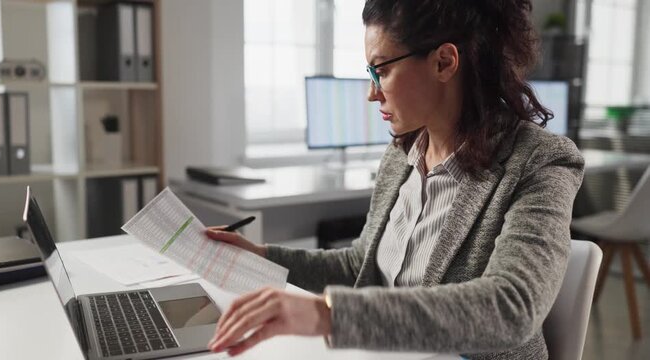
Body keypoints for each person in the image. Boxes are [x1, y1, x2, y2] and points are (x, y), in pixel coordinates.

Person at [205, 0, 584, 358]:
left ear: (443, 62)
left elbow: (512, 307)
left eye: (381, 70)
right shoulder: (403, 153)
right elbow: (360, 267)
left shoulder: (541, 161)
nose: (373, 93)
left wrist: (328, 314)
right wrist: (262, 258)